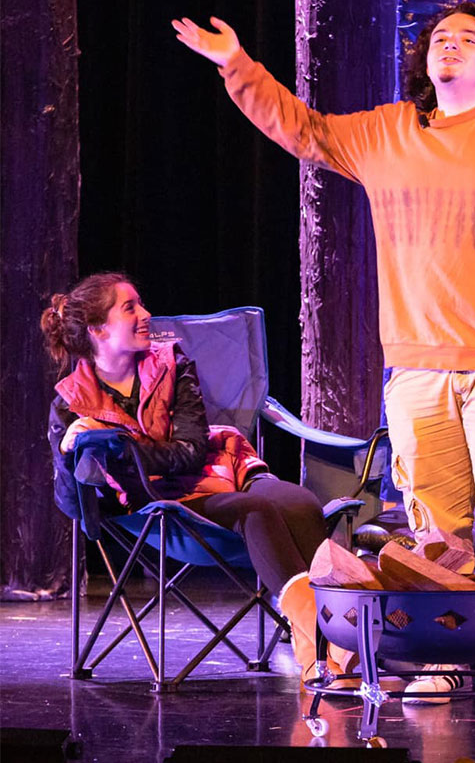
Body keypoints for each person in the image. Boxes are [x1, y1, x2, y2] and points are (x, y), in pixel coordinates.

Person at [173, 1, 475, 700]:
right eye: (439, 39)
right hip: (417, 365)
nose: (450, 46)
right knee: (434, 538)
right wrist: (237, 68)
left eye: (467, 39)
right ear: (426, 60)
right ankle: (442, 658)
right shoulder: (388, 133)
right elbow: (304, 131)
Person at [42, 272, 340, 685]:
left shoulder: (172, 363)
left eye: (140, 303)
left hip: (222, 468)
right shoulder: (70, 405)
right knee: (255, 510)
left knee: (302, 502)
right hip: (161, 505)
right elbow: (76, 506)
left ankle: (326, 647)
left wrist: (123, 446)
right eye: (130, 308)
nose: (146, 314)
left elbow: (191, 450)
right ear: (98, 330)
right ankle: (325, 650)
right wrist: (68, 452)